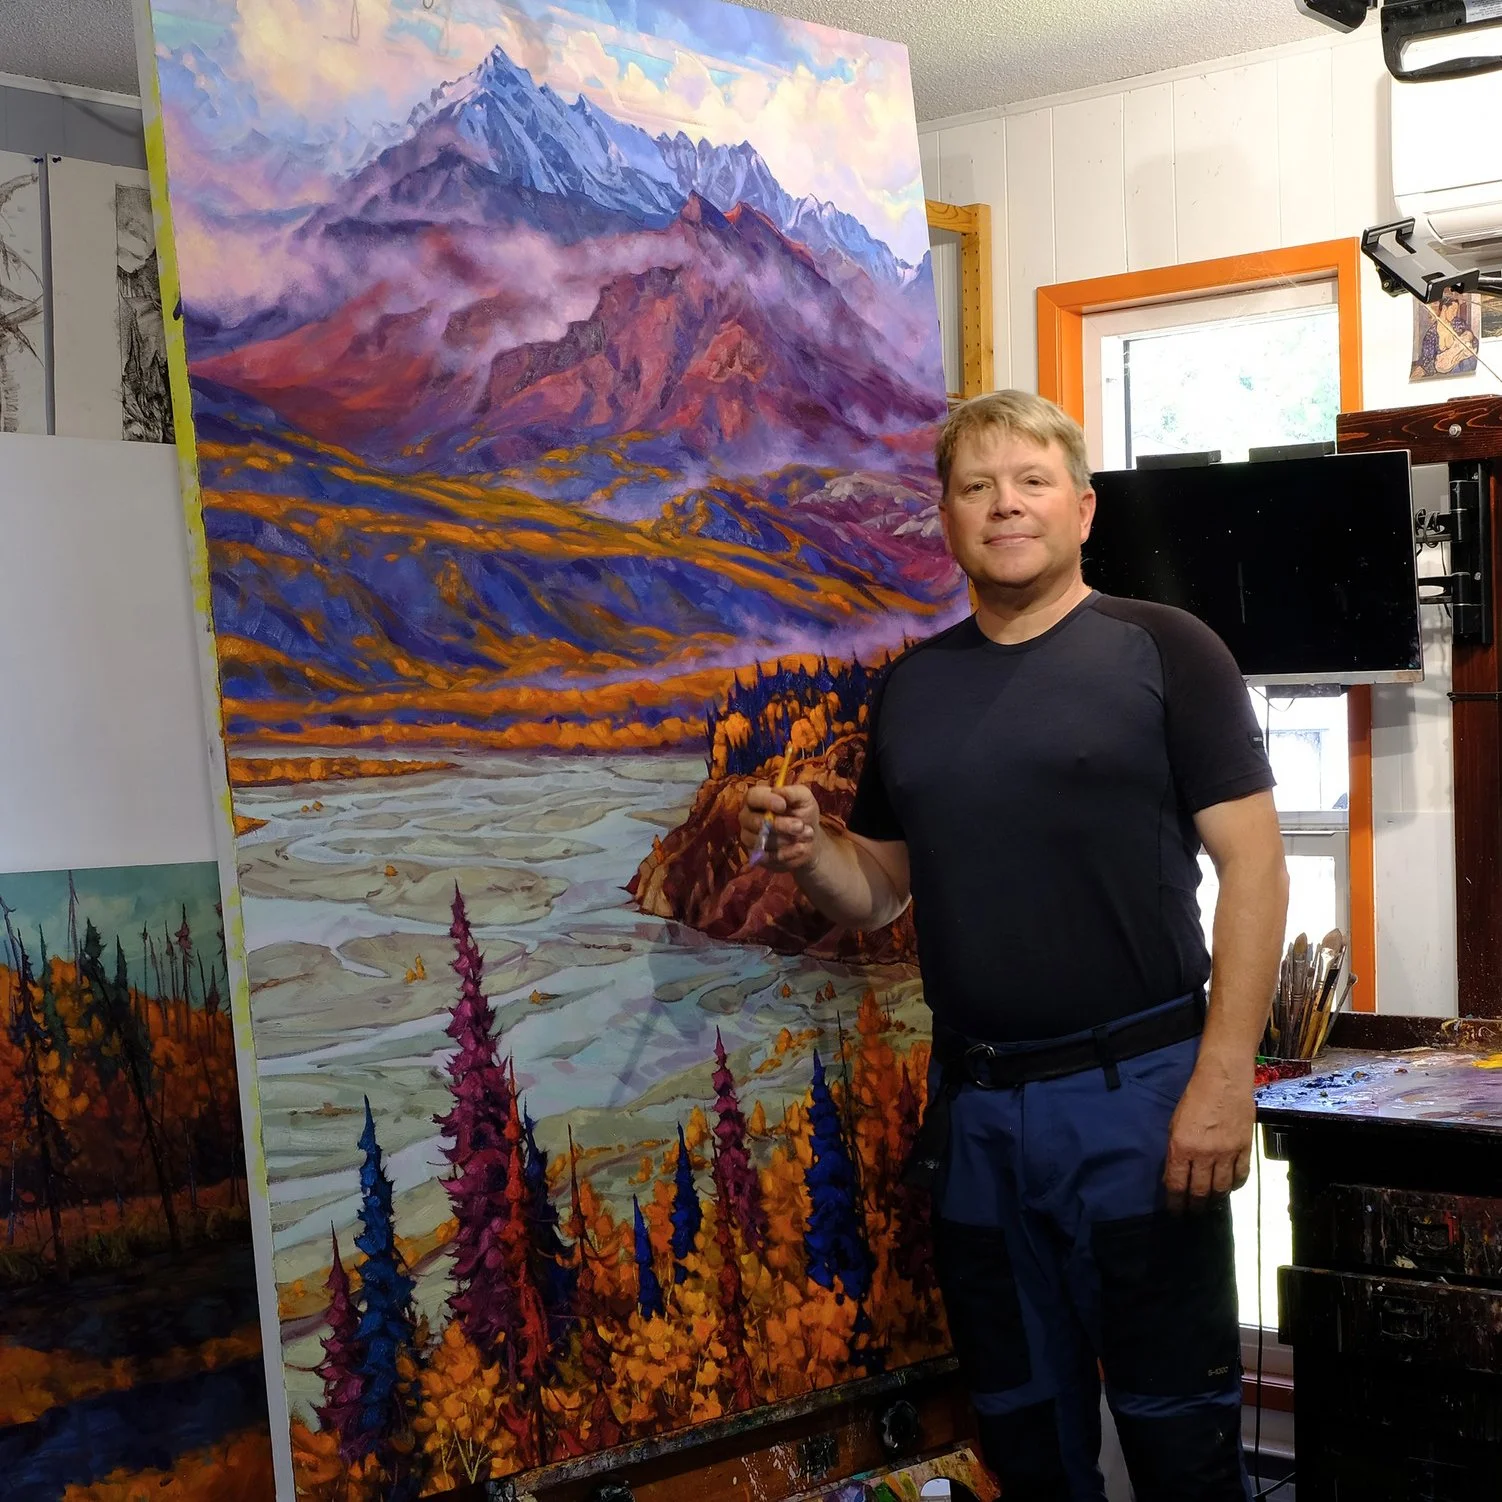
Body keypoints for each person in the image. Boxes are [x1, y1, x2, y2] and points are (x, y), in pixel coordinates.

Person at [740, 391, 1289, 1502]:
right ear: (945, 519)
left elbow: (1255, 867)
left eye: (1030, 480)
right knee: (1023, 1440)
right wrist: (812, 853)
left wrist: (1223, 1078)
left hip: (1138, 1096)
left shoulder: (1166, 650)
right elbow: (879, 887)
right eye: (974, 485)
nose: (1004, 505)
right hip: (978, 1114)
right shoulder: (912, 688)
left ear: (1080, 509)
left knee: (1179, 1441)